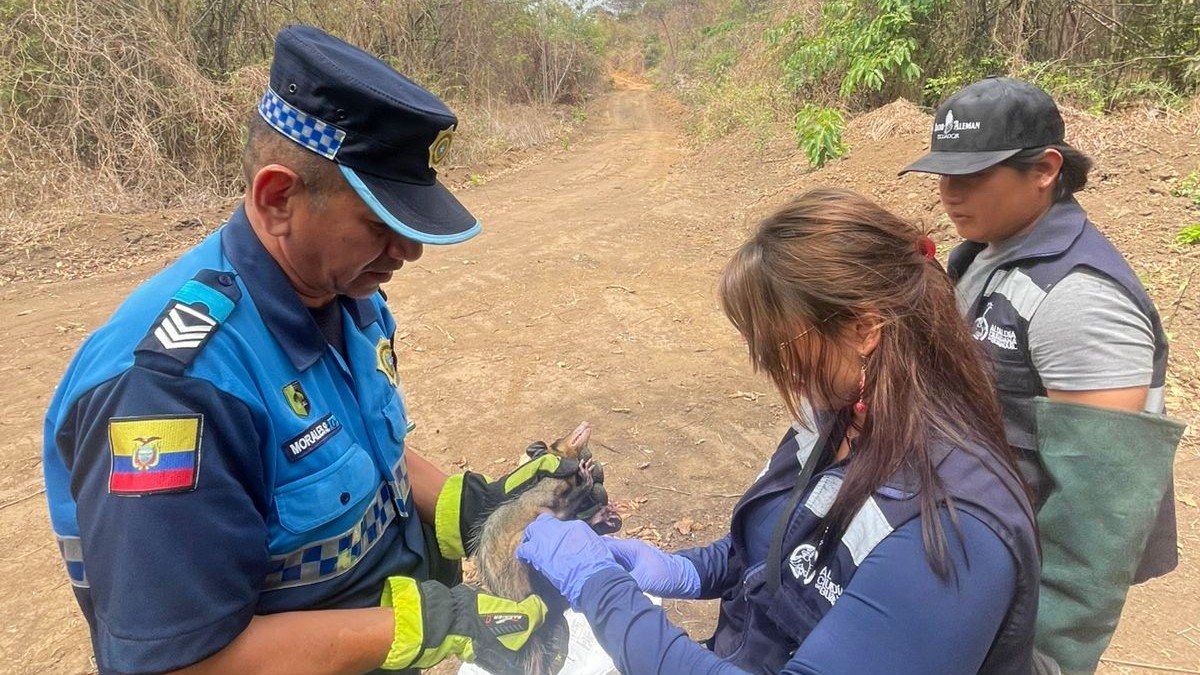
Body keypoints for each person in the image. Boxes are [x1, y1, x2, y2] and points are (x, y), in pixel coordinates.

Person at [42, 25, 603, 675]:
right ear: (278, 199)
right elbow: (182, 661)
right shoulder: (173, 391)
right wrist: (442, 621)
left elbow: (363, 453)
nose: (409, 251)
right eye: (380, 224)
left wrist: (474, 504)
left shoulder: (345, 296)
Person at [514, 189, 1041, 674]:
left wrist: (601, 589)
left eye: (778, 346)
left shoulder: (954, 531)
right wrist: (682, 571)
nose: (768, 367)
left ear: (863, 328)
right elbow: (779, 551)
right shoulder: (833, 418)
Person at [901, 77, 1183, 674]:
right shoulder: (985, 254)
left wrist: (1048, 654)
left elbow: (1099, 516)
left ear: (1045, 169)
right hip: (973, 551)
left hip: (1019, 584)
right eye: (943, 175)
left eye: (973, 175)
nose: (949, 194)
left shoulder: (1080, 300)